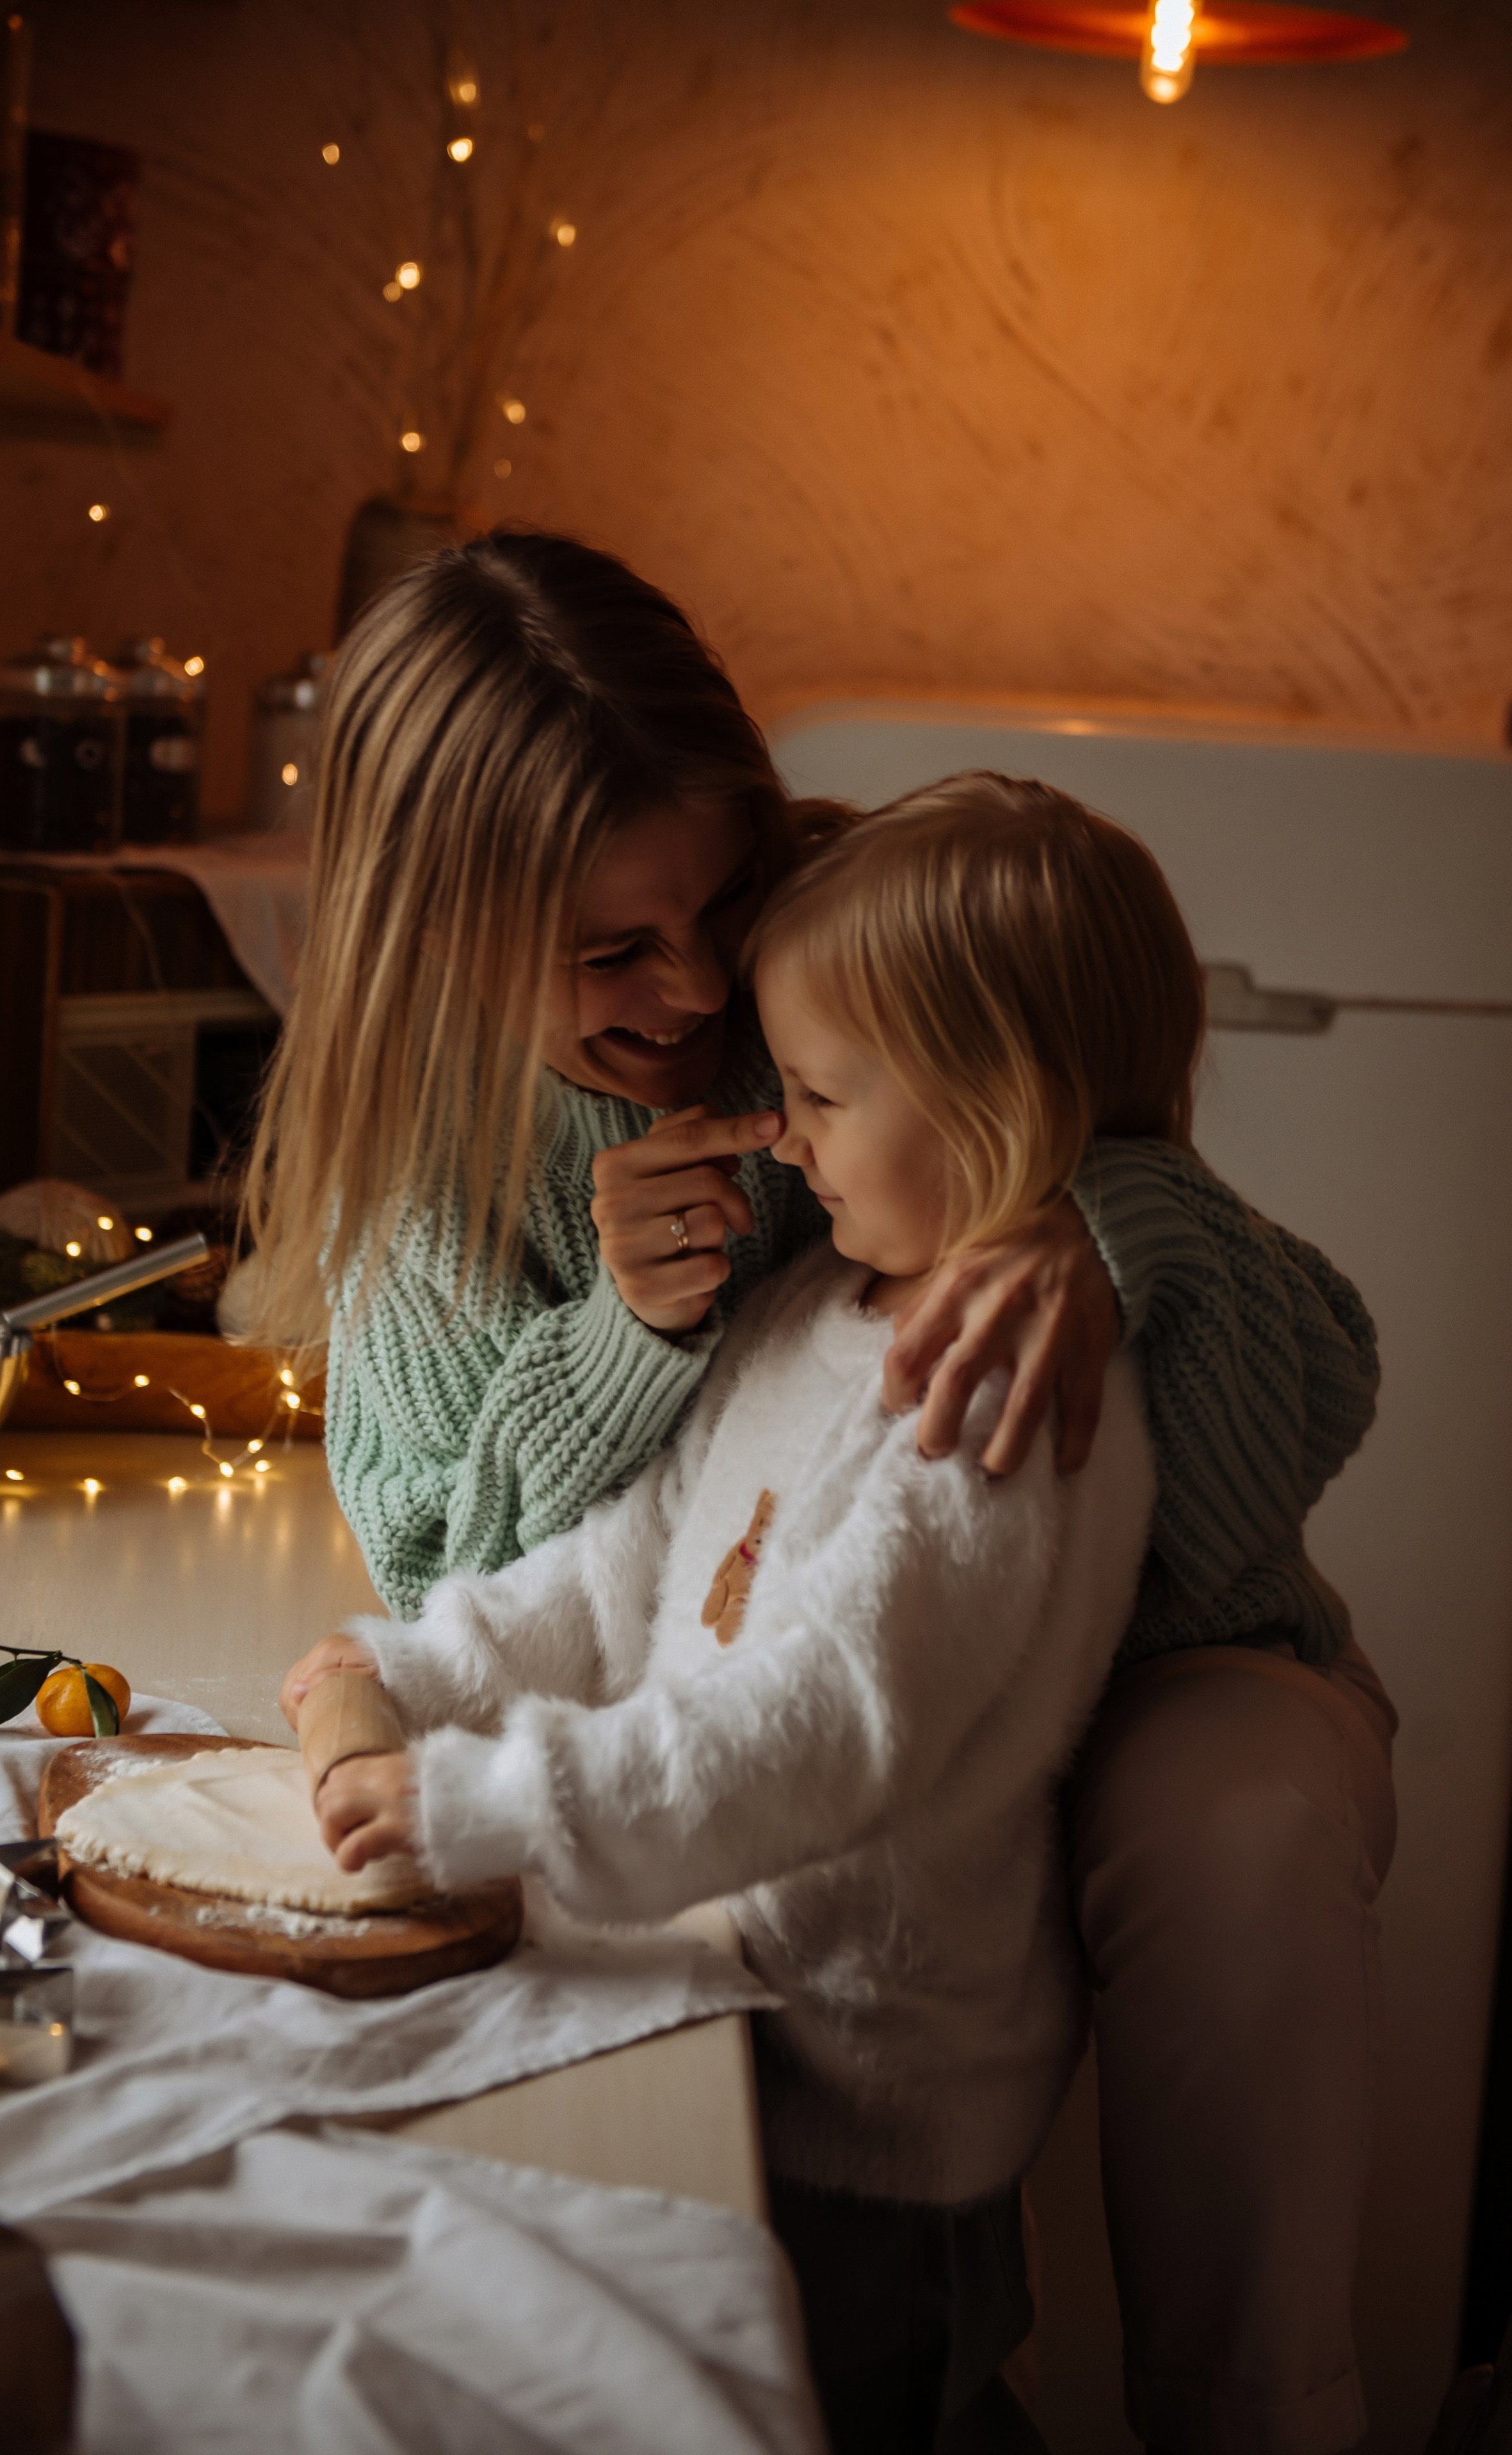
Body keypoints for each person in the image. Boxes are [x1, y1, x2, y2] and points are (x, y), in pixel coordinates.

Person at [244, 532, 1394, 2455]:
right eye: (613, 949)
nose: (700, 986)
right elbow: (485, 1563)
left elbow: (1323, 1358)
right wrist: (632, 1331)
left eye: (724, 898)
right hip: (770, 1712)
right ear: (433, 930)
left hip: (1119, 1648)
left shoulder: (861, 919)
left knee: (1225, 1836)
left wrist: (1108, 1229)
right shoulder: (428, 1177)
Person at [283, 778, 1195, 2448]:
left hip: (876, 2116)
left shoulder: (995, 1405)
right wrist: (415, 1672)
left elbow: (822, 1726)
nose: (784, 1133)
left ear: (998, 1107)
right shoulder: (803, 1309)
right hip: (731, 2013)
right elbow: (624, 1564)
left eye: (827, 1095)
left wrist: (489, 1804)